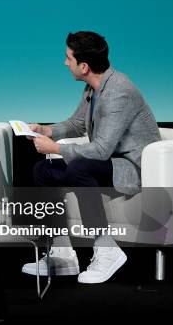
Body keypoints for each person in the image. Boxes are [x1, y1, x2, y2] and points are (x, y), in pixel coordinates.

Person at [21, 31, 160, 284]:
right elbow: (76, 124)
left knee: (80, 167)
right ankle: (62, 252)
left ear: (84, 66)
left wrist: (55, 148)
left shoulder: (119, 92)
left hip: (133, 168)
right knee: (43, 171)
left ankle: (107, 251)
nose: (65, 63)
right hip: (109, 162)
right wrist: (45, 130)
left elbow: (100, 151)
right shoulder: (93, 87)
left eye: (68, 58)